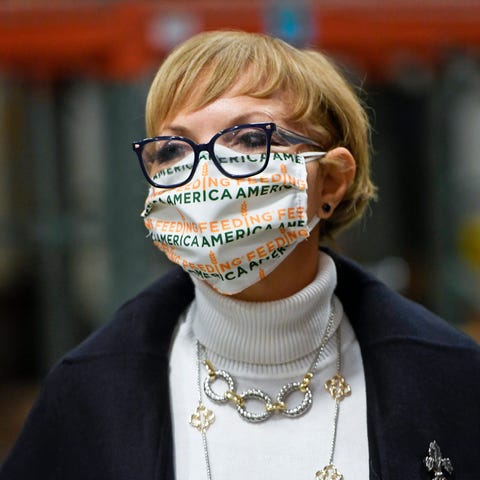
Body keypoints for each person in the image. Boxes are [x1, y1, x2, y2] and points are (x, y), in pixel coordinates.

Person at [1, 30, 479, 480]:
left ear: (329, 182)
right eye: (173, 150)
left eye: (248, 140)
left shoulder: (451, 383)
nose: (204, 174)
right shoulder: (87, 397)